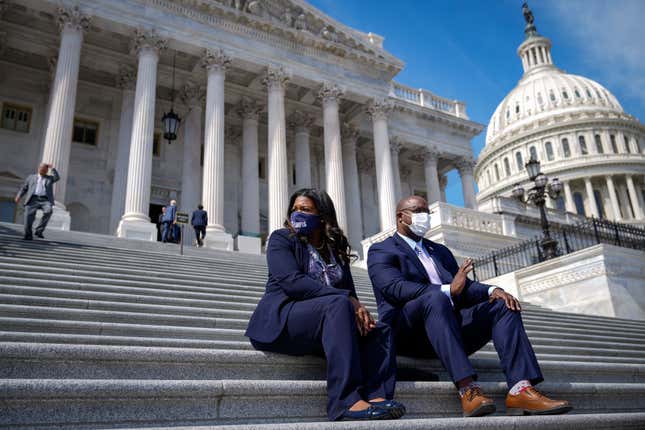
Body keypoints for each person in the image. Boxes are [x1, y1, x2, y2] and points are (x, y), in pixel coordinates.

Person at [367, 195, 572, 417]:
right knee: (436, 298)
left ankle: (520, 389)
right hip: (408, 333)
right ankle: (468, 390)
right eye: (418, 211)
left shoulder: (439, 250)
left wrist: (492, 290)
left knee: (501, 305)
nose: (424, 217)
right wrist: (446, 290)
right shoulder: (382, 250)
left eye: (427, 212)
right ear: (401, 216)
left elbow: (461, 286)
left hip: (448, 329)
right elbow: (394, 288)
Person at [246, 188, 405, 421]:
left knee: (378, 330)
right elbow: (292, 282)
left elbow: (350, 292)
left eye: (305, 210)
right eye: (295, 209)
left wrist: (358, 309)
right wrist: (347, 299)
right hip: (284, 318)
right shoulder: (282, 239)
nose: (297, 214)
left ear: (322, 216)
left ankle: (377, 397)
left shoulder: (336, 249)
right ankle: (345, 402)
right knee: (338, 305)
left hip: (325, 322)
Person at [15, 163, 59, 240]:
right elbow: (24, 188)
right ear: (39, 169)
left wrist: (52, 168)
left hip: (45, 200)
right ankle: (28, 235)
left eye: (45, 170)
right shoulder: (31, 177)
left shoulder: (50, 178)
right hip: (33, 199)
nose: (43, 171)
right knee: (28, 217)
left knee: (48, 211)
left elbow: (57, 178)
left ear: (46, 171)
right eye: (42, 169)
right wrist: (19, 196)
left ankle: (39, 231)